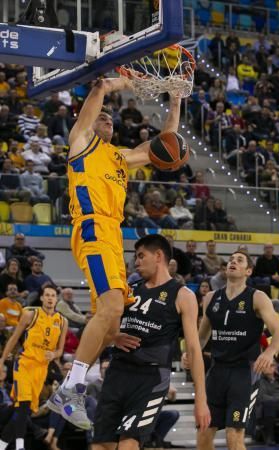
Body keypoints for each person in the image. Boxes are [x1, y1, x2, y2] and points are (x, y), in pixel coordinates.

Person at [48, 76, 182, 430]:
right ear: (88, 121)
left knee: (112, 320)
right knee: (111, 307)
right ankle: (69, 390)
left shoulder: (120, 157)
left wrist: (177, 101)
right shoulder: (81, 143)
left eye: (111, 118)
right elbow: (96, 93)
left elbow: (165, 144)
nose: (108, 120)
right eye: (102, 116)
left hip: (113, 233)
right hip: (92, 227)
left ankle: (83, 340)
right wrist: (115, 83)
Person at [91, 234, 211, 450]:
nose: (136, 262)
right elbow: (106, 328)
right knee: (100, 445)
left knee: (128, 445)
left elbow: (193, 349)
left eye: (140, 256)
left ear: (158, 256)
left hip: (151, 378)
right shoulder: (130, 288)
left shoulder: (182, 294)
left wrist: (200, 400)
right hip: (117, 372)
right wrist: (114, 336)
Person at [195, 251, 279, 450]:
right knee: (203, 431)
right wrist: (190, 354)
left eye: (240, 260)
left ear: (249, 271)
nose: (233, 262)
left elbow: (278, 333)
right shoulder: (210, 298)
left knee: (233, 435)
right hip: (216, 372)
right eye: (231, 259)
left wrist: (268, 353)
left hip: (244, 372)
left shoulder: (258, 297)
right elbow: (201, 337)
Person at [0, 285, 68, 450]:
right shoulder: (31, 314)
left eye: (53, 295)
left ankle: (1, 445)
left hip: (41, 369)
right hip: (24, 363)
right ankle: (20, 445)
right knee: (23, 404)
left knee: (24, 410)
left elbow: (60, 349)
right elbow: (14, 338)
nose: (50, 298)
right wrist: (1, 361)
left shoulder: (62, 321)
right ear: (42, 298)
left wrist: (54, 355)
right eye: (47, 295)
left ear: (56, 299)